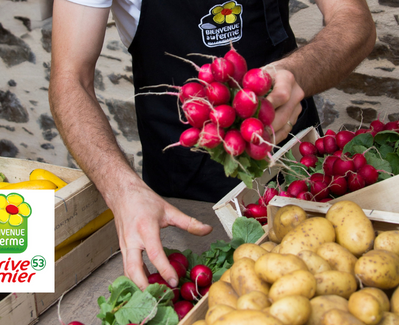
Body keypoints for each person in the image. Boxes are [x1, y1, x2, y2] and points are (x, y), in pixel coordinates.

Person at [49, 0, 376, 290]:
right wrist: (120, 189)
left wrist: (296, 73)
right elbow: (70, 80)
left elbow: (354, 19)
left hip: (297, 168)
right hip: (186, 199)